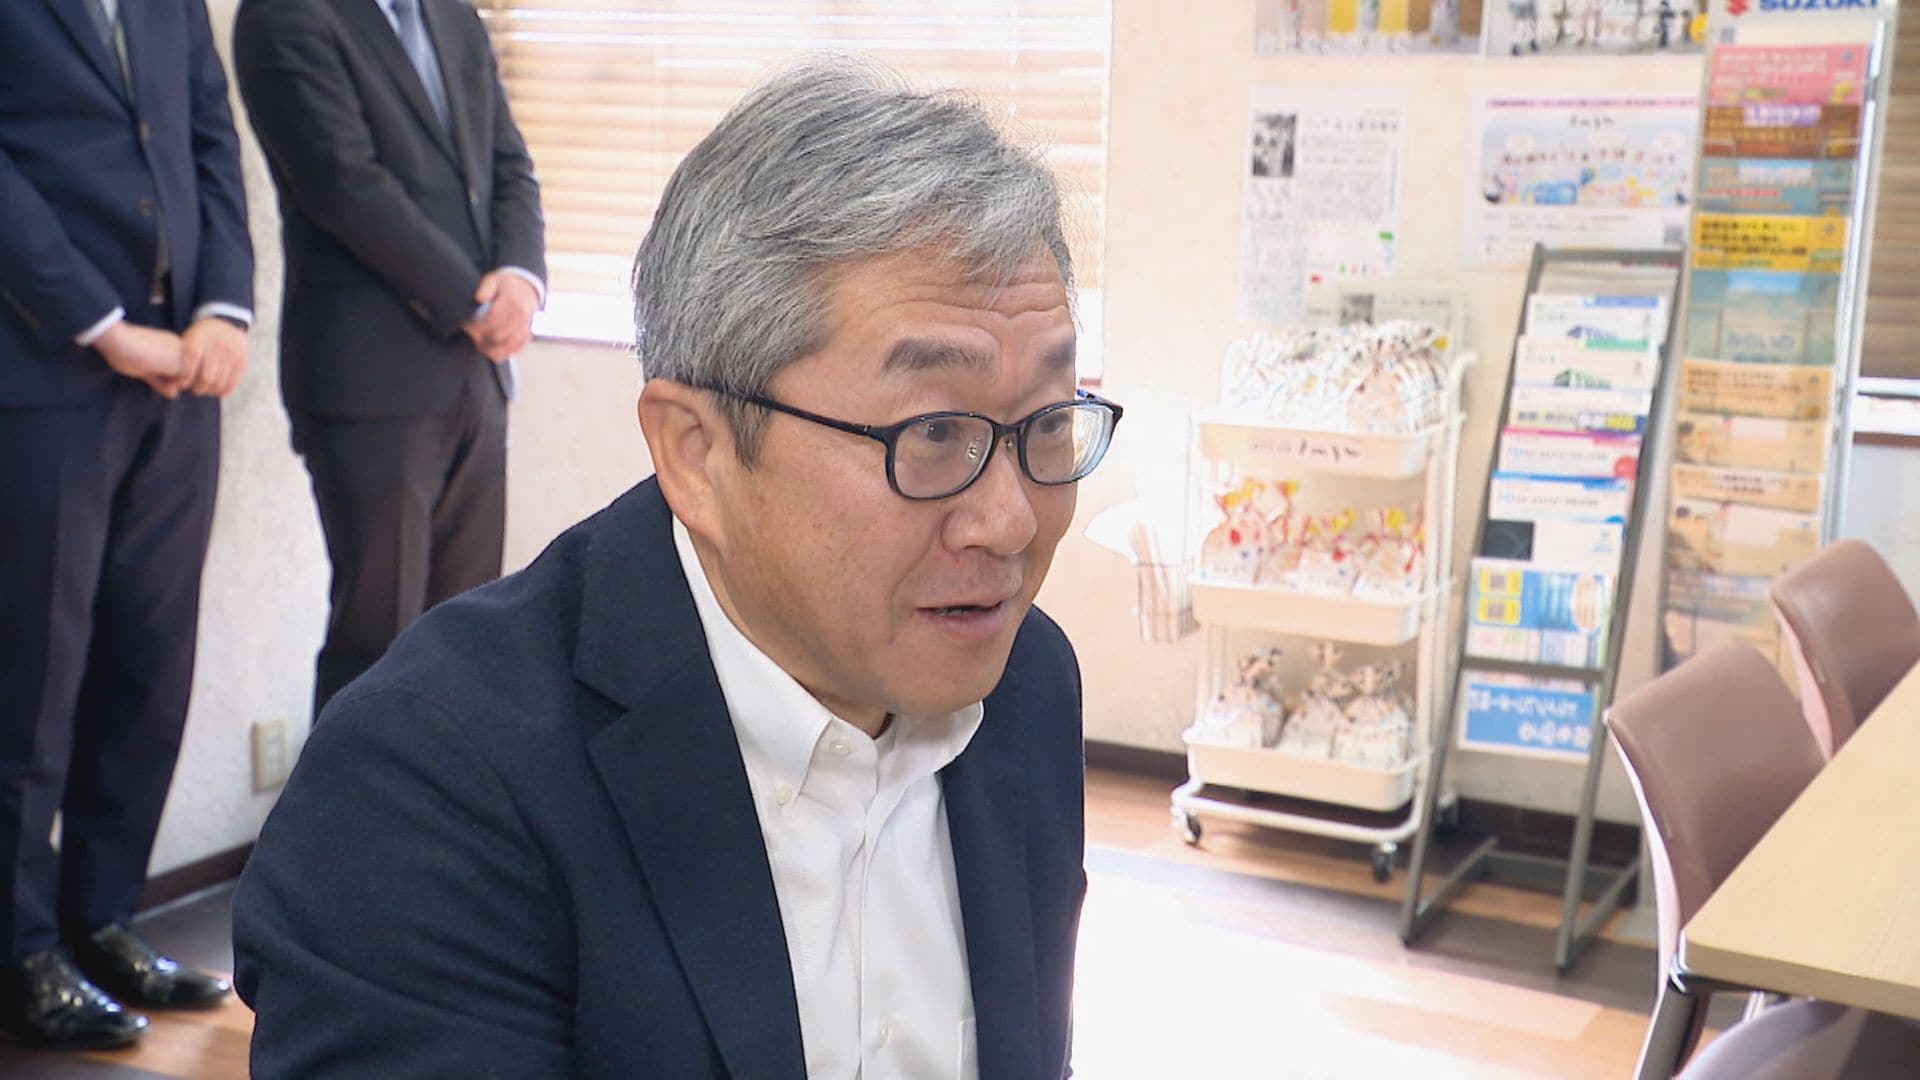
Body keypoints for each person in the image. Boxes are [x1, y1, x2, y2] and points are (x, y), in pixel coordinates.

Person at [233, 57, 1122, 1077]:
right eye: (932, 432)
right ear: (697, 454)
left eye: (1047, 423)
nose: (1009, 520)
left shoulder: (1025, 683)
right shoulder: (428, 789)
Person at [0, 0, 252, 1051]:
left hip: (182, 379)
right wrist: (100, 326)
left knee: (150, 662)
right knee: (31, 677)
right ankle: (19, 951)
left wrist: (224, 308)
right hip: (43, 367)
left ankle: (102, 921)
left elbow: (209, 139)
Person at [232, 0, 546, 718]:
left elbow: (508, 161)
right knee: (377, 644)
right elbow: (346, 186)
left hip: (477, 377)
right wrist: (474, 304)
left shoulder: (453, 15)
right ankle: (347, 799)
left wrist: (520, 281)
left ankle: (448, 797)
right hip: (370, 382)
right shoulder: (286, 16)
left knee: (471, 636)